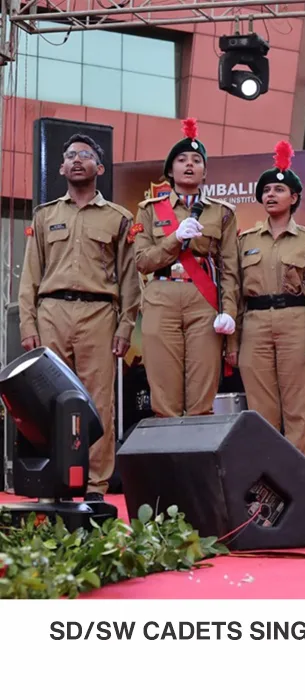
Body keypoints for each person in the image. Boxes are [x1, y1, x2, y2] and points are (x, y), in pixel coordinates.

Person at [17, 133, 140, 499]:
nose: (75, 160)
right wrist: (28, 323)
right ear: (60, 167)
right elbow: (30, 276)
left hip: (98, 314)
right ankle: (55, 478)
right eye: (69, 155)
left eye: (84, 155)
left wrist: (125, 326)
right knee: (50, 400)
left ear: (99, 168)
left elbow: (131, 279)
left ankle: (95, 485)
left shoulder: (119, 218)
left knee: (98, 400)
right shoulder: (45, 216)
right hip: (51, 311)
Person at [133, 118, 239, 417]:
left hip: (202, 302)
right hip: (161, 298)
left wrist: (228, 311)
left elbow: (230, 269)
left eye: (196, 160)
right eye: (181, 160)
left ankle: (198, 462)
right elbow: (142, 261)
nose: (189, 165)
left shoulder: (222, 212)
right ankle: (169, 463)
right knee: (163, 396)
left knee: (201, 396)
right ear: (170, 170)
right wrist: (174, 239)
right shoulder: (150, 210)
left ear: (205, 171)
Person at [231, 141, 305, 459]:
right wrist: (232, 343)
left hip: (295, 322)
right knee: (261, 412)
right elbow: (234, 292)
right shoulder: (244, 241)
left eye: (279, 189)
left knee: (297, 409)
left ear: (294, 197)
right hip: (255, 326)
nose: (271, 195)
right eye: (267, 190)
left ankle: (300, 484)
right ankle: (267, 483)